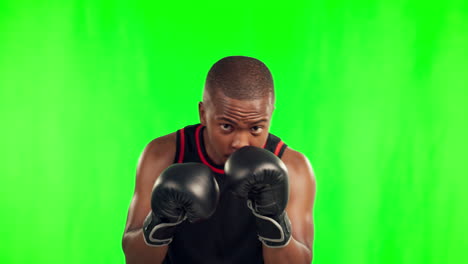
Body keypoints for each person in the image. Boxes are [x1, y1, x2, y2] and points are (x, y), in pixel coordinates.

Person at [122, 56, 316, 264]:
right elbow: (135, 259)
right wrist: (161, 222)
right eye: (226, 126)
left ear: (270, 115)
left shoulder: (293, 166)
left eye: (255, 128)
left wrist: (273, 220)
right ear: (203, 114)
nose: (240, 142)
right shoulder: (164, 154)